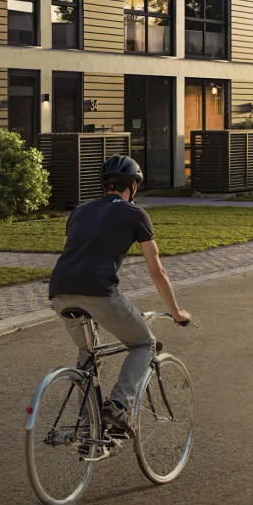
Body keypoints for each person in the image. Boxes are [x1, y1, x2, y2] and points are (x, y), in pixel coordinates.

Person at [47, 153, 191, 435]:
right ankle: (118, 405)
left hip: (59, 291)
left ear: (105, 186)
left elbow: (70, 251)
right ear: (133, 186)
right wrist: (176, 312)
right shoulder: (135, 214)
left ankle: (88, 430)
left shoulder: (79, 211)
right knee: (144, 344)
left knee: (86, 353)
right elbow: (157, 270)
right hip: (99, 292)